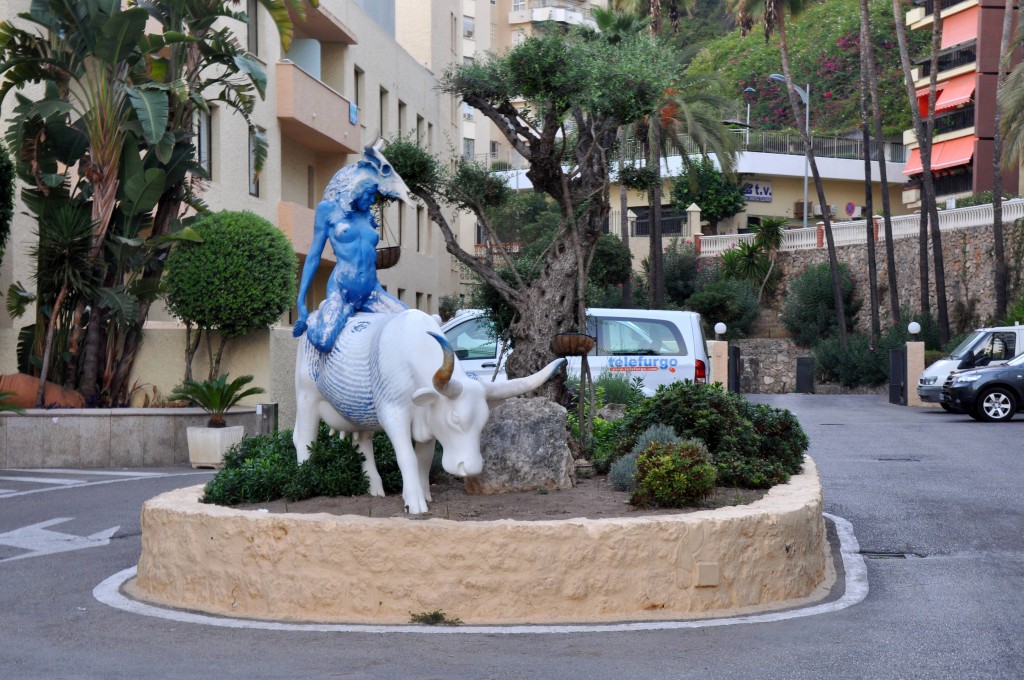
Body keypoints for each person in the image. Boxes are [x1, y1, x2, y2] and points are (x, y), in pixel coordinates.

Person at [293, 175, 406, 353]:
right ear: (357, 190)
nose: (371, 201)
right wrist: (301, 300)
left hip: (372, 291)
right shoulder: (327, 210)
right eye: (369, 195)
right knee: (324, 341)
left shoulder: (367, 214)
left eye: (373, 197)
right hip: (342, 290)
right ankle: (313, 320)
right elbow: (314, 256)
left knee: (409, 321)